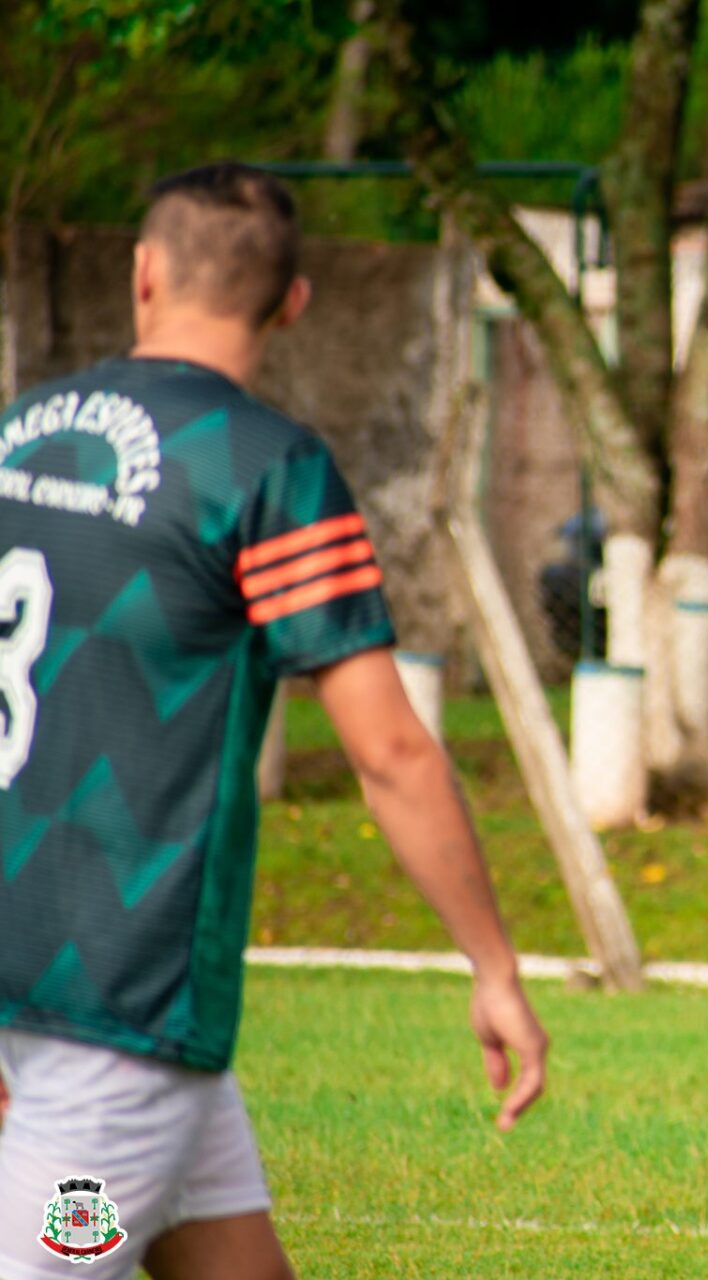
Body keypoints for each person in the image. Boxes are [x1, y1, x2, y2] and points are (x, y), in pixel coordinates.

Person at [0, 163, 548, 1280]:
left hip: (52, 989)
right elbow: (388, 749)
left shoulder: (18, 429)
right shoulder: (267, 468)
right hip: (117, 1017)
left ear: (143, 272)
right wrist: (493, 963)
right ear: (294, 303)